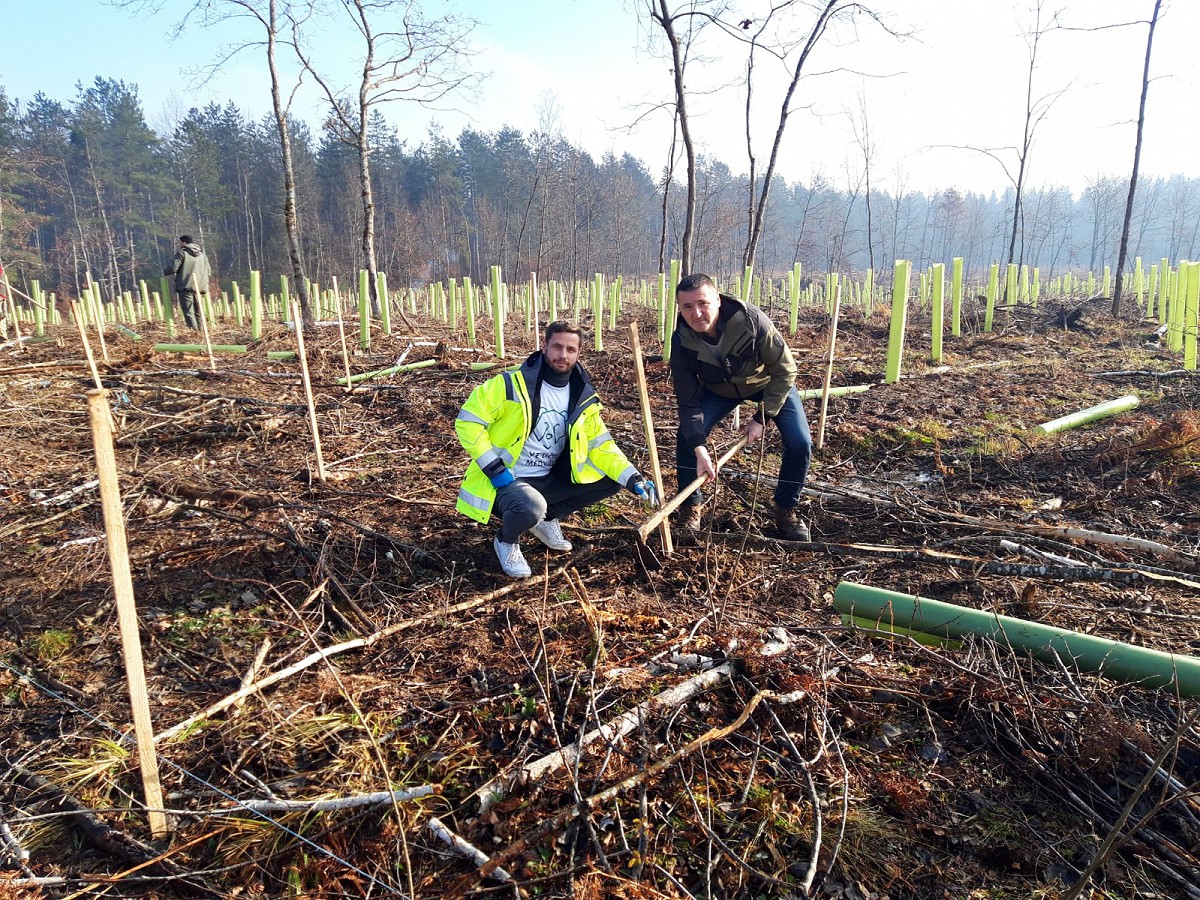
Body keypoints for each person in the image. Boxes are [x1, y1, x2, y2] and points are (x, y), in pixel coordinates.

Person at [455, 320, 659, 578]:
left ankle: (545, 520)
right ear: (544, 347)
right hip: (505, 481)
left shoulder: (582, 396)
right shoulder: (509, 385)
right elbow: (468, 422)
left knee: (611, 480)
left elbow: (601, 445)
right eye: (557, 347)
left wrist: (633, 477)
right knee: (530, 507)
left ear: (579, 353)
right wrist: (495, 469)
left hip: (548, 479)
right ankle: (506, 540)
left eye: (570, 349)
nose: (563, 355)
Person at [670, 272, 812, 541]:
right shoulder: (682, 341)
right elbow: (687, 401)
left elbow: (785, 370)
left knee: (800, 442)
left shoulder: (751, 321)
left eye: (703, 303)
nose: (697, 313)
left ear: (718, 300)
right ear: (680, 309)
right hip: (719, 390)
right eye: (687, 307)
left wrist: (762, 417)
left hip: (768, 384)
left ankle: (786, 510)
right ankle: (690, 509)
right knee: (686, 437)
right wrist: (699, 446)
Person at [164, 235, 211, 330]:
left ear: (184, 242)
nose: (179, 244)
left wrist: (165, 271)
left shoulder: (182, 253)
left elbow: (173, 268)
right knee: (198, 310)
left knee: (188, 311)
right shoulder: (202, 255)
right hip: (200, 286)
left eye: (180, 242)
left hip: (186, 285)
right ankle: (201, 331)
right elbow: (208, 271)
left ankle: (194, 332)